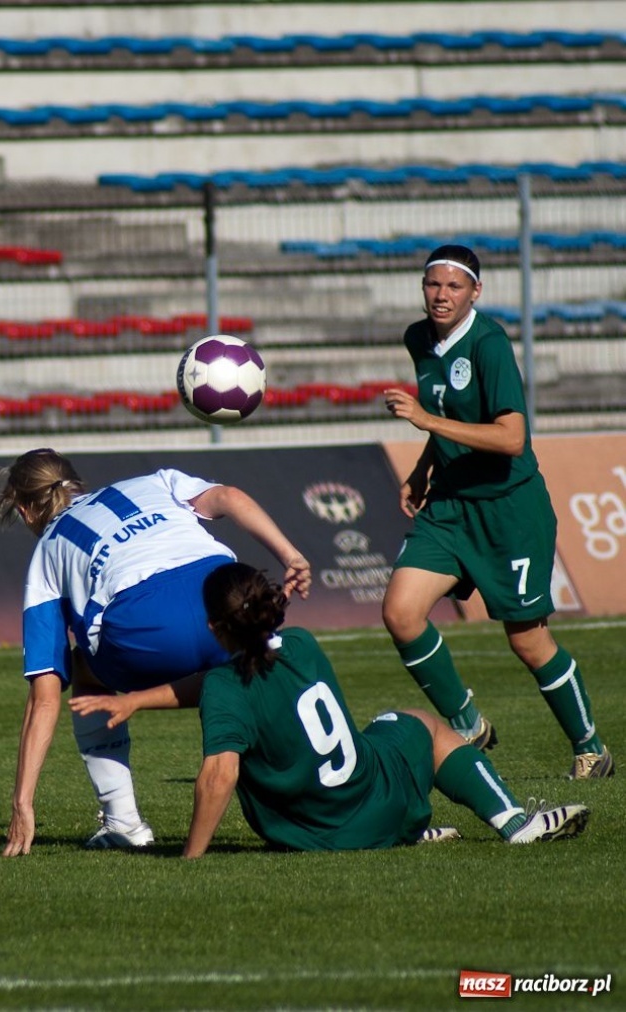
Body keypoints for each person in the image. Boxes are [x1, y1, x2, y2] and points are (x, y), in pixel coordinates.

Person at [73, 563, 590, 854]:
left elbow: (219, 775)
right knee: (420, 724)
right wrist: (139, 699)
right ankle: (513, 820)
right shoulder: (302, 643)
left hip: (312, 835)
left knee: (380, 734)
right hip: (374, 803)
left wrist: (190, 857)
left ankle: (412, 831)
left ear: (213, 628)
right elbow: (220, 685)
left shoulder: (227, 688)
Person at [0, 448, 311, 857]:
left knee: (84, 671)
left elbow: (45, 695)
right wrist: (290, 555)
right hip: (229, 601)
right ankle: (330, 787)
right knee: (269, 668)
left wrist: (23, 802)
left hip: (145, 631)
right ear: (77, 481)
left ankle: (122, 821)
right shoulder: (154, 481)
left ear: (24, 510)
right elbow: (230, 496)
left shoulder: (49, 549)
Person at [381, 244, 613, 780]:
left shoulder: (489, 345)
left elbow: (511, 439)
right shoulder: (419, 337)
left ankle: (591, 748)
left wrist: (425, 425)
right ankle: (468, 724)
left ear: (476, 292)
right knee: (400, 612)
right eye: (433, 285)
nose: (441, 296)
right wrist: (422, 470)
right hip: (450, 506)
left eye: (454, 287)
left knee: (527, 640)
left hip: (509, 512)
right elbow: (444, 412)